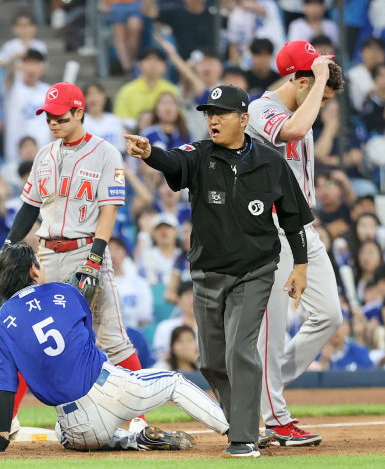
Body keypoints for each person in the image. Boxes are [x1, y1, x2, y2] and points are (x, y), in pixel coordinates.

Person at [125, 84, 313, 457]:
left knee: (240, 349)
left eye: (221, 113)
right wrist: (150, 153)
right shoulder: (199, 153)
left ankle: (243, 439)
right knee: (210, 360)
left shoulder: (270, 162)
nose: (212, 119)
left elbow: (294, 219)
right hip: (208, 273)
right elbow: (174, 162)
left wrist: (301, 267)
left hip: (255, 270)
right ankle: (244, 424)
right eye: (209, 113)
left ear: (243, 119)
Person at [0, 242, 229, 454]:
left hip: (77, 428)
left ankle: (130, 440)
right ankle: (234, 431)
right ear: (33, 271)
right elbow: (86, 336)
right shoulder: (63, 291)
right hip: (113, 389)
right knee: (175, 383)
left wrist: (1, 436)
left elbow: (3, 383)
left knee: (60, 431)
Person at [0, 82, 148, 437]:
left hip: (86, 249)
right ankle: (9, 419)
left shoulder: (105, 152)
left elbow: (109, 211)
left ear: (79, 112)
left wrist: (95, 257)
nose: (53, 123)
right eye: (49, 117)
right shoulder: (45, 154)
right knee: (32, 338)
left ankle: (140, 414)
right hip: (48, 254)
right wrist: (8, 244)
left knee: (111, 337)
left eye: (61, 117)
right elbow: (30, 206)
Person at [247, 40, 345, 446]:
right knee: (273, 329)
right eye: (320, 92)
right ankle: (275, 418)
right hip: (272, 231)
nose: (322, 101)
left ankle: (259, 390)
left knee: (329, 315)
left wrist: (322, 80)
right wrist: (320, 77)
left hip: (304, 229)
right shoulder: (261, 108)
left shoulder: (303, 103)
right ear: (300, 81)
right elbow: (295, 129)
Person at [3, 49, 52, 163]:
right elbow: (10, 75)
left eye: (35, 64)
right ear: (21, 67)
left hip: (44, 156)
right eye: (28, 63)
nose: (31, 68)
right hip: (16, 158)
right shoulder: (13, 88)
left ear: (42, 68)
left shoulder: (49, 91)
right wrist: (13, 60)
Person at [113, 48, 178, 128]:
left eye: (158, 60)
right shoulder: (127, 91)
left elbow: (179, 119)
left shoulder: (172, 90)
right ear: (139, 64)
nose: (153, 64)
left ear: (164, 66)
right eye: (148, 59)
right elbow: (120, 120)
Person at [140, 0, 218, 60]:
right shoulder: (177, 12)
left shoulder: (213, 13)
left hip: (207, 59)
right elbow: (150, 13)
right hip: (181, 61)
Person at [348, 38, 385, 113]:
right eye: (370, 49)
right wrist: (370, 93)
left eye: (378, 50)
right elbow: (355, 105)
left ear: (384, 54)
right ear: (361, 53)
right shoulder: (352, 75)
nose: (374, 54)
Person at [108, 237, 153, 329]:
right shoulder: (93, 284)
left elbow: (145, 317)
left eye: (117, 249)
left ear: (125, 253)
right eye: (108, 250)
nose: (112, 255)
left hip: (132, 335)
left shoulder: (140, 284)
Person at [100, 0, 143, 74]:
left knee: (134, 32)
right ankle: (127, 68)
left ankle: (132, 63)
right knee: (120, 40)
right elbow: (102, 6)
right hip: (117, 8)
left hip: (135, 7)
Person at [82, 83, 126, 153]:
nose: (93, 98)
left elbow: (121, 149)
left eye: (97, 94)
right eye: (89, 94)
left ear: (104, 98)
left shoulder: (115, 121)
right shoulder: (78, 122)